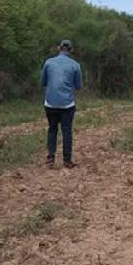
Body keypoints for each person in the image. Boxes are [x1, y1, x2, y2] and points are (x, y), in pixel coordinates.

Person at [41, 39, 83, 169]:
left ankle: (51, 158)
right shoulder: (75, 65)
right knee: (66, 131)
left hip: (50, 103)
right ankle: (67, 160)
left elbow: (43, 82)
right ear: (70, 50)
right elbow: (78, 86)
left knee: (52, 129)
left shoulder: (48, 62)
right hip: (67, 104)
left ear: (59, 48)